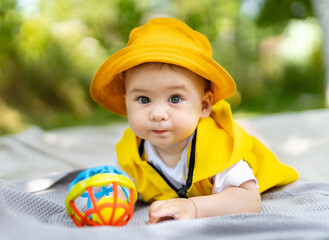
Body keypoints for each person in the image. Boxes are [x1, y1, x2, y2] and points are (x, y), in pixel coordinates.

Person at [90, 17, 299, 224]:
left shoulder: (218, 147)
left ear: (204, 106)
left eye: (175, 99)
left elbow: (249, 199)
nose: (158, 113)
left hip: (255, 168)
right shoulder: (130, 152)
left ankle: (249, 133)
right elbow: (118, 187)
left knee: (249, 147)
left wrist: (194, 207)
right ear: (126, 101)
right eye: (143, 99)